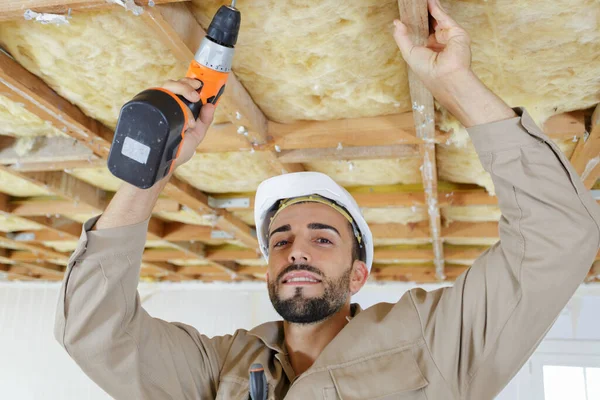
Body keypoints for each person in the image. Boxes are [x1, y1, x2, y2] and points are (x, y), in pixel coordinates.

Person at [54, 0, 600, 398]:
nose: (297, 250)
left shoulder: (435, 344)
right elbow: (93, 332)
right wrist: (147, 176)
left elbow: (559, 236)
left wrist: (457, 85)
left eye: (322, 237)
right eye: (282, 238)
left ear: (358, 274)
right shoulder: (217, 368)